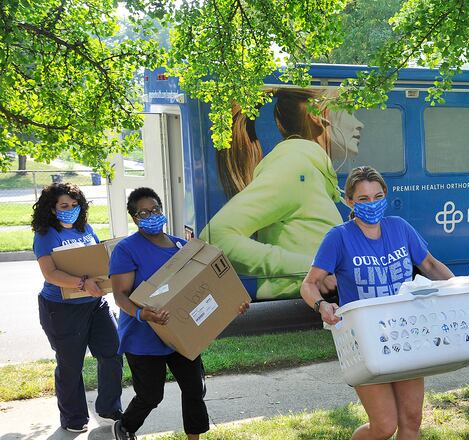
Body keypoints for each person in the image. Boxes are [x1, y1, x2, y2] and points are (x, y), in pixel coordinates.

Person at [301, 166, 454, 440]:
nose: (372, 204)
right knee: (384, 426)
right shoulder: (339, 237)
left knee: (412, 420)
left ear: (385, 195)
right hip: (364, 343)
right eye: (363, 199)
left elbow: (429, 264)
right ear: (349, 201)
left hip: (406, 335)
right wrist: (321, 305)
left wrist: (459, 288)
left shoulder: (400, 228)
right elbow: (309, 284)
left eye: (377, 196)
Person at [110, 187, 250, 440]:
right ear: (135, 218)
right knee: (151, 395)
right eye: (144, 213)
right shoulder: (127, 249)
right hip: (143, 337)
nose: (152, 215)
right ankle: (125, 426)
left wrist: (233, 304)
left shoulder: (182, 248)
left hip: (180, 333)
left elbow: (207, 288)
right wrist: (142, 314)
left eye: (155, 209)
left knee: (194, 388)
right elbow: (120, 295)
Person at [201, 88, 363, 300]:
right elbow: (215, 237)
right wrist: (312, 270)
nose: (360, 124)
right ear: (316, 116)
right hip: (296, 310)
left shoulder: (313, 170)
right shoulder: (295, 167)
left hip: (309, 306)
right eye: (348, 111)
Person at [32, 182, 123, 433]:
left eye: (74, 205)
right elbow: (50, 273)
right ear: (52, 208)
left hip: (95, 304)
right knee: (70, 365)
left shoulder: (86, 228)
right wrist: (82, 283)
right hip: (61, 309)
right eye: (64, 206)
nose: (70, 209)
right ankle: (74, 418)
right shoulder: (46, 235)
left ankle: (109, 407)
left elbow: (97, 260)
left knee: (113, 351)